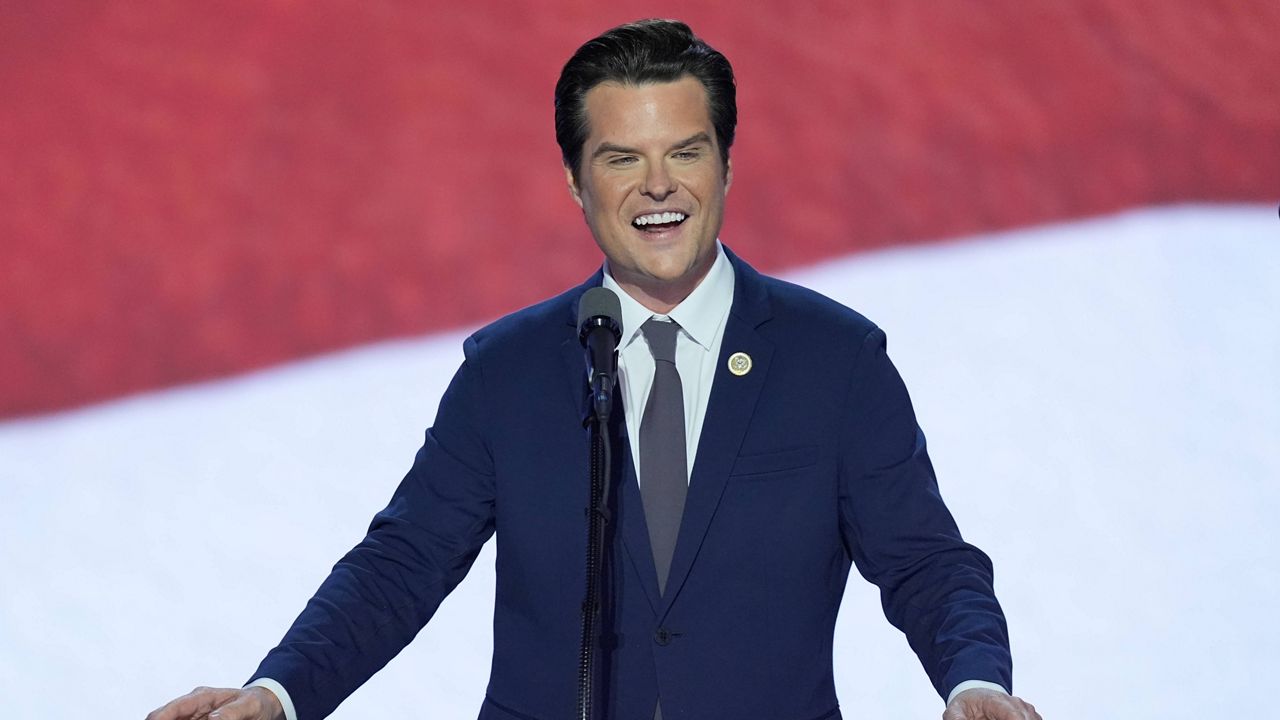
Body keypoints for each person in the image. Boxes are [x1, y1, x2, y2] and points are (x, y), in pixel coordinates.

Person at [147, 19, 1041, 720]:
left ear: (726, 163)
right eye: (622, 160)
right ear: (576, 182)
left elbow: (927, 563)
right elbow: (403, 563)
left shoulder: (836, 359)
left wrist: (972, 682)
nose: (659, 186)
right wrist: (279, 693)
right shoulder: (507, 371)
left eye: (685, 152)